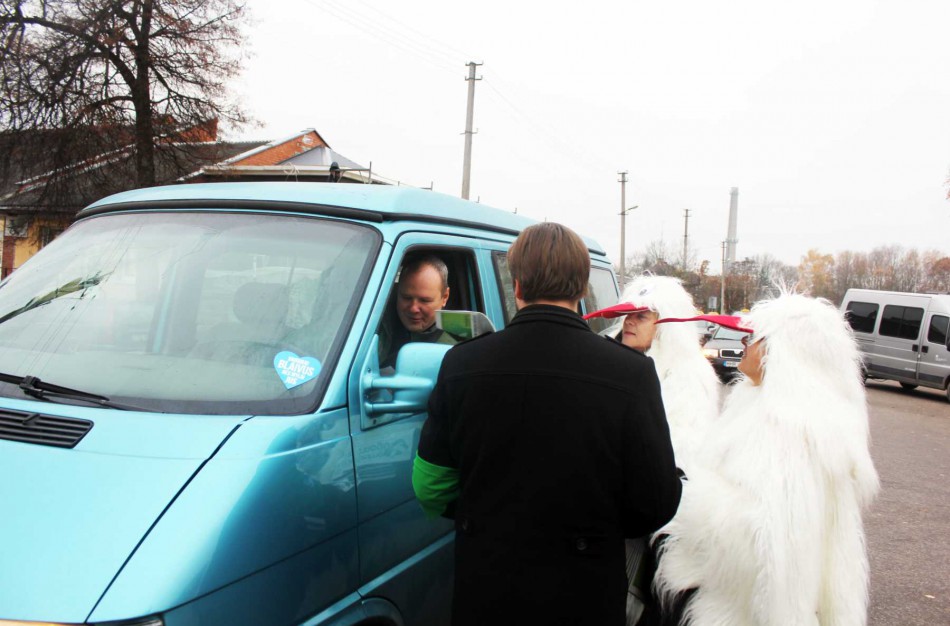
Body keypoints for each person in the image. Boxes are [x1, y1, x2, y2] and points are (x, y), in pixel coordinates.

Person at [412, 222, 683, 626]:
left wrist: (484, 516)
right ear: (582, 288)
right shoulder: (631, 374)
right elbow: (656, 502)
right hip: (585, 593)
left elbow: (429, 488)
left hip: (486, 591)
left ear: (517, 285)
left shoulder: (461, 364)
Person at [652, 293, 880, 626]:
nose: (745, 341)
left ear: (782, 353)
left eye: (755, 337)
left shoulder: (788, 427)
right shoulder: (767, 405)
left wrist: (687, 497)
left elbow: (767, 538)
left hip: (755, 610)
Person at [585, 276, 722, 626]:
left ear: (666, 325)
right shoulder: (604, 359)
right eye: (628, 314)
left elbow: (678, 457)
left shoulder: (689, 377)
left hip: (649, 521)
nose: (630, 322)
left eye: (642, 316)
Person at [378, 254, 458, 369]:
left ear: (445, 297)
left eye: (424, 300)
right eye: (406, 298)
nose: (413, 308)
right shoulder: (373, 322)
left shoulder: (454, 349)